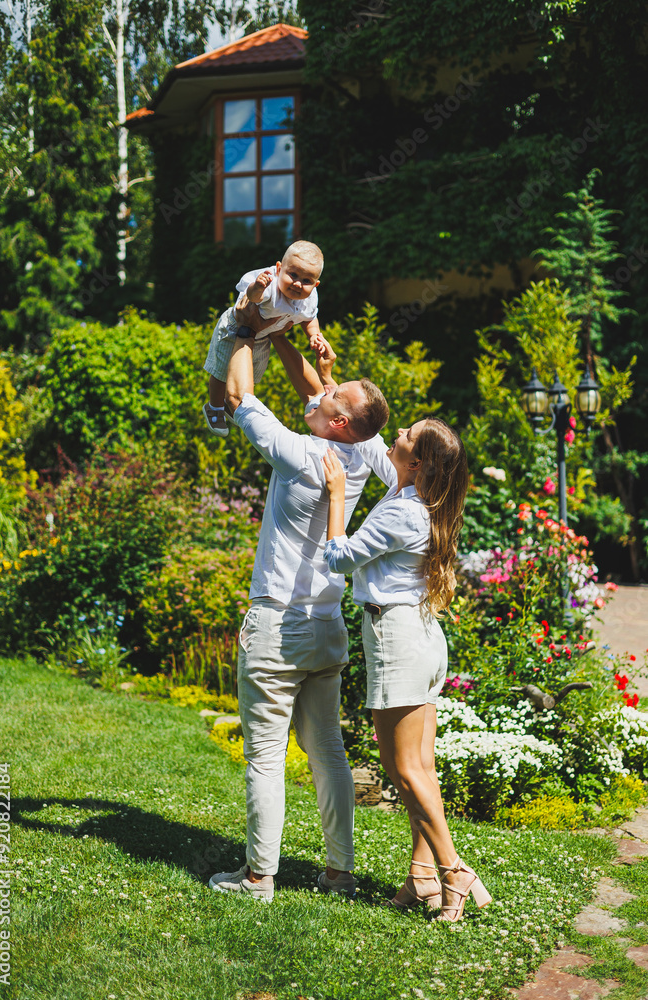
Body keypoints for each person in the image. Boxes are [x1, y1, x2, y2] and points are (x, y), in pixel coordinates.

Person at [208, 310, 390, 903]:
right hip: (326, 626)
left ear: (338, 420)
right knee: (327, 751)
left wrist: (241, 328)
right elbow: (319, 396)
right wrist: (285, 338)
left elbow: (239, 393)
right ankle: (339, 871)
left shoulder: (295, 452)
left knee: (264, 756)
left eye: (335, 391)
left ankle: (259, 877)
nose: (324, 383)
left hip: (278, 625)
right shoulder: (360, 453)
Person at [321, 418, 493, 922]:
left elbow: (340, 558)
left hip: (397, 637)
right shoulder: (412, 498)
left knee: (405, 770)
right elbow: (368, 436)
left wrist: (336, 495)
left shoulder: (403, 514)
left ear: (416, 462)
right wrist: (326, 375)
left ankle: (455, 871)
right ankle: (422, 876)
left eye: (406, 434)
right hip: (420, 635)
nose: (395, 433)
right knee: (420, 769)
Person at [203, 240, 325, 437]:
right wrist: (258, 287)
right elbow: (252, 298)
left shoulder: (308, 299)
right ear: (279, 269)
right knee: (222, 369)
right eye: (293, 275)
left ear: (315, 284)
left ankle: (228, 405)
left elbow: (310, 318)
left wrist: (314, 335)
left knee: (252, 373)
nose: (297, 283)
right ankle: (214, 407)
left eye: (306, 281)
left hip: (262, 336)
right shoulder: (270, 284)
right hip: (236, 327)